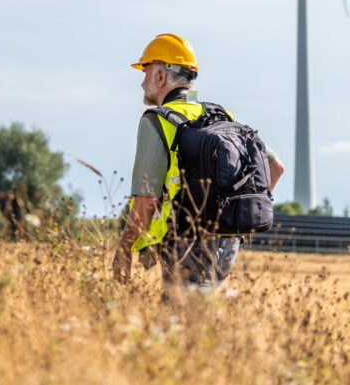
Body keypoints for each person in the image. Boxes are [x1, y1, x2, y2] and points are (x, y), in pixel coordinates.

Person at [111, 33, 285, 290]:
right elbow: (276, 167)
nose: (141, 83)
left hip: (186, 242)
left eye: (145, 73)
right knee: (205, 316)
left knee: (182, 321)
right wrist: (237, 214)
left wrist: (124, 248)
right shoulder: (221, 114)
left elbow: (146, 200)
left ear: (160, 77)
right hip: (228, 243)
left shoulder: (157, 121)